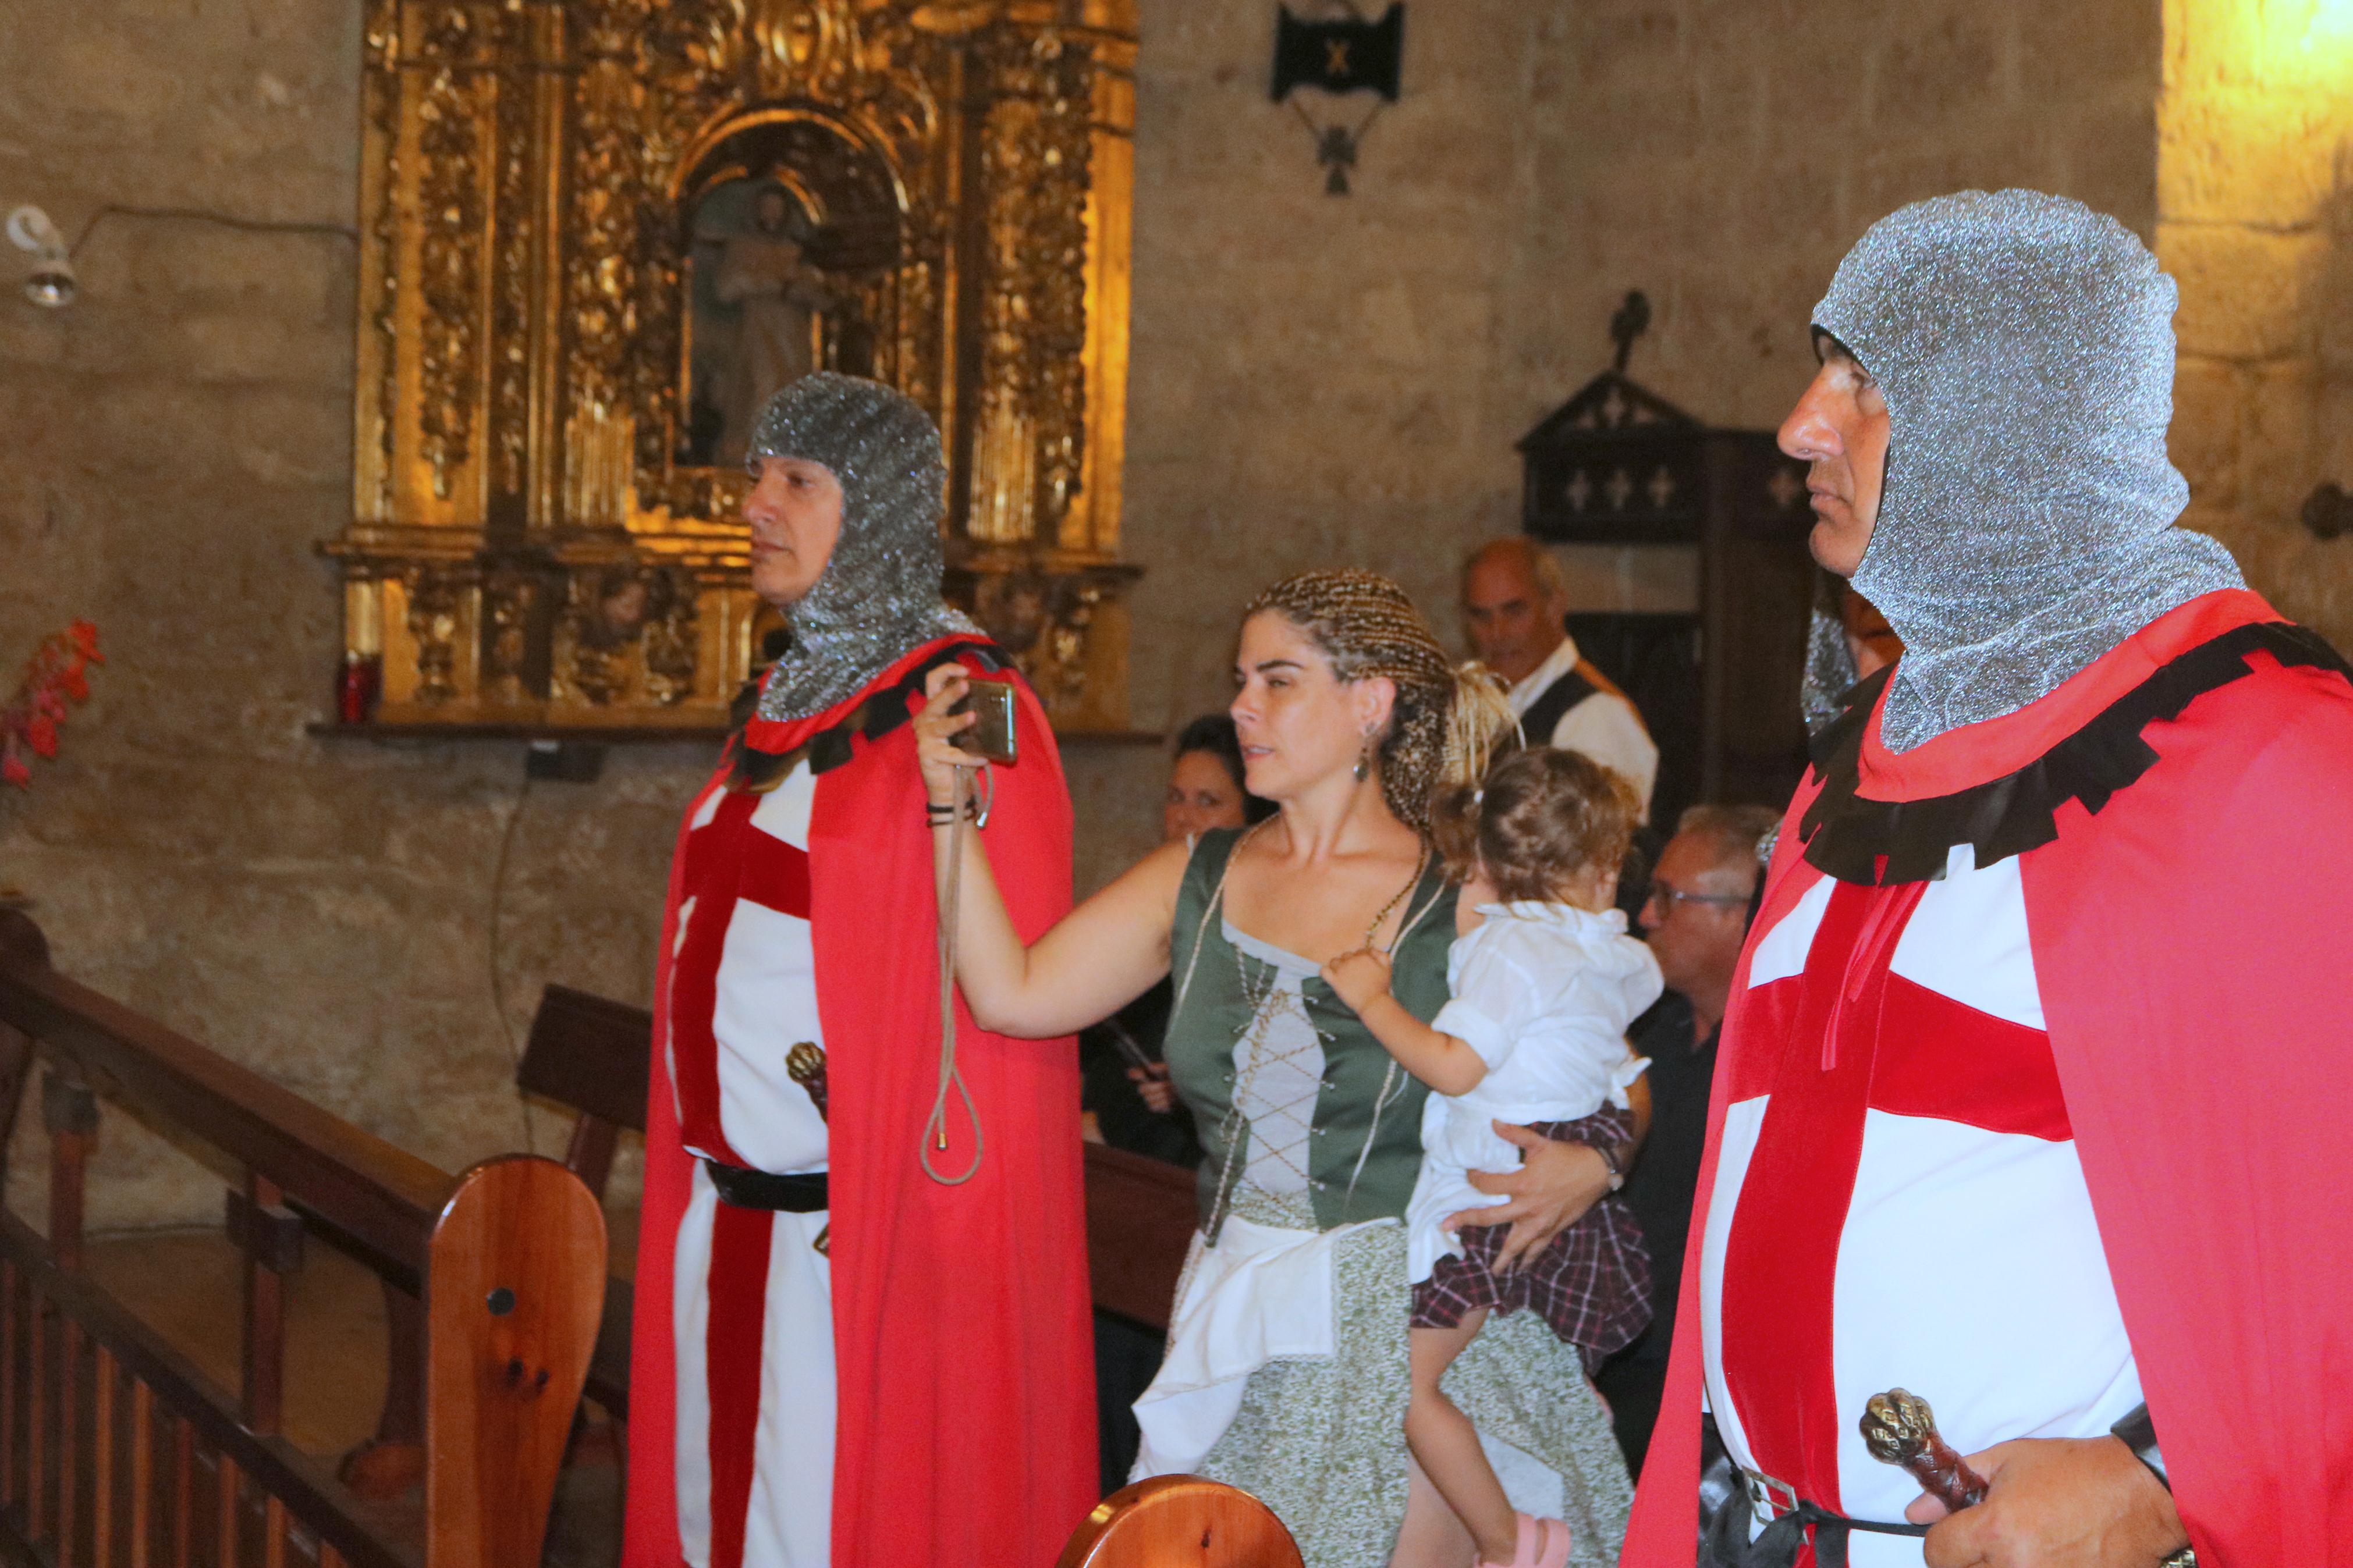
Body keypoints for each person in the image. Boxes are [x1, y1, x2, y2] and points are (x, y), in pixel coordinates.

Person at [1623, 189, 2353, 1568]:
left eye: (1865, 381)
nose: (1798, 425)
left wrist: (2159, 1485)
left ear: (2008, 428)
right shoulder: (1856, 763)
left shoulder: (2267, 761)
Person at [914, 569, 1637, 1568]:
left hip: (1403, 1329)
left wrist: (1597, 1163)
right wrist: (947, 808)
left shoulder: (1460, 897)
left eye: (1277, 680)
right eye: (1239, 679)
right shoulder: (1197, 875)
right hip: (1230, 1300)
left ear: (1369, 704)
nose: (1241, 706)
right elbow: (1011, 996)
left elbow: (1612, 1063)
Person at [623, 373, 1094, 1568]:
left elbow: (1002, 1012)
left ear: (874, 509)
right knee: (708, 1526)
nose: (755, 506)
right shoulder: (782, 699)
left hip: (860, 1254)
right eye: (753, 477)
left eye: (797, 482)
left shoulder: (964, 704)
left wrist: (942, 1247)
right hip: (721, 1220)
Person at [1322, 748, 1664, 1568]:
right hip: (1557, 1201)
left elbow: (1452, 1064)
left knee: (1404, 1385)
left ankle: (1507, 1539)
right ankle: (1566, 1402)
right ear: (1600, 862)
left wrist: (1371, 997)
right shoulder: (1598, 952)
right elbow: (1623, 1076)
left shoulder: (1515, 951)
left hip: (1486, 1202)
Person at [1591, 803, 1777, 1477]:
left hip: (1697, 1394)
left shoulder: (1780, 1063)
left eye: (1670, 897)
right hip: (1606, 1356)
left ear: (1743, 915)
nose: (1645, 916)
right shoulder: (1647, 1031)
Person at [1460, 538, 1658, 820]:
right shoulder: (1482, 701)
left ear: (1554, 606)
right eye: (1481, 616)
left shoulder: (1597, 716)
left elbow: (1597, 850)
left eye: (1514, 611)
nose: (1497, 633)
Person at [714, 187, 837, 465]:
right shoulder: (743, 248)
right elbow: (727, 288)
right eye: (767, 207)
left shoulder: (794, 251)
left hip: (791, 334)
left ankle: (786, 456)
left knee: (791, 389)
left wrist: (796, 288)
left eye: (778, 208)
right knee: (762, 386)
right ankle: (755, 455)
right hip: (758, 330)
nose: (772, 214)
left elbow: (822, 295)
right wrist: (775, 284)